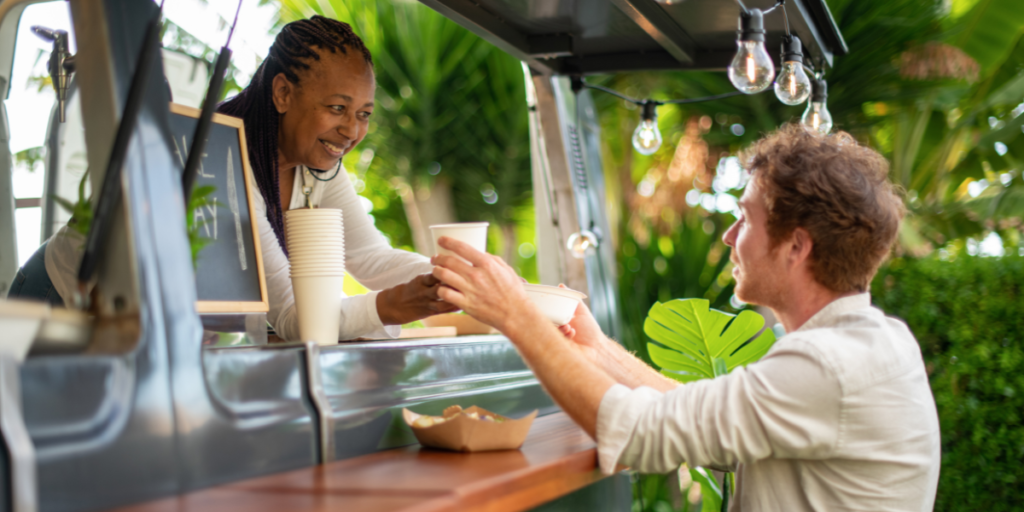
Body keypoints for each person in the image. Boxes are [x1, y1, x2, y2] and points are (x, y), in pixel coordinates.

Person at [430, 124, 941, 511]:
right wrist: (596, 347)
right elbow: (697, 417)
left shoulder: (827, 364)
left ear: (795, 247)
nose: (728, 236)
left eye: (745, 219)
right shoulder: (869, 342)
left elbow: (638, 434)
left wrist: (515, 314)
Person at [9, 16, 457, 341]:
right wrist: (391, 305)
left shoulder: (316, 167)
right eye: (336, 108)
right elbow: (294, 316)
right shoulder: (218, 156)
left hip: (140, 327)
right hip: (61, 300)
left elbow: (371, 258)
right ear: (283, 92)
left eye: (362, 115)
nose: (351, 130)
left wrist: (452, 277)